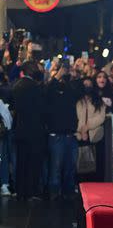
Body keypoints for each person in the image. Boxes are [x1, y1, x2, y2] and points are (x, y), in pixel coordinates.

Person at [45, 59, 82, 198]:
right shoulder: (51, 91)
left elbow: (79, 91)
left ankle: (68, 194)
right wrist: (57, 75)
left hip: (70, 135)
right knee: (55, 168)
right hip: (56, 136)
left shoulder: (69, 90)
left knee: (70, 169)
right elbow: (47, 91)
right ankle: (53, 195)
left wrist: (74, 75)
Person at [11, 61, 46, 201]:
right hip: (34, 131)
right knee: (33, 162)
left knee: (21, 162)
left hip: (20, 130)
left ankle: (20, 191)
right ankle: (31, 191)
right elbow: (42, 110)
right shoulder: (36, 88)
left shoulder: (16, 86)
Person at [75, 81, 107, 182]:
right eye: (85, 84)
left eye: (89, 84)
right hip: (80, 136)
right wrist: (81, 131)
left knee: (95, 166)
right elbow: (75, 118)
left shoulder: (98, 101)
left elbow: (101, 117)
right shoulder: (78, 102)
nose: (87, 87)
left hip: (95, 136)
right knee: (80, 165)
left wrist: (87, 127)